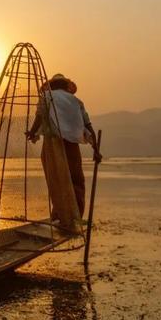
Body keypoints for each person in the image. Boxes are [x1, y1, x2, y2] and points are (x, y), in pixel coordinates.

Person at [26, 74, 101, 219]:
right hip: (72, 145)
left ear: (51, 85)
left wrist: (32, 132)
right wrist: (96, 150)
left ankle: (60, 214)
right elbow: (88, 126)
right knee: (76, 180)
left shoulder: (46, 96)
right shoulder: (76, 101)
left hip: (53, 145)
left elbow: (40, 117)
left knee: (56, 180)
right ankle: (75, 215)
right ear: (65, 86)